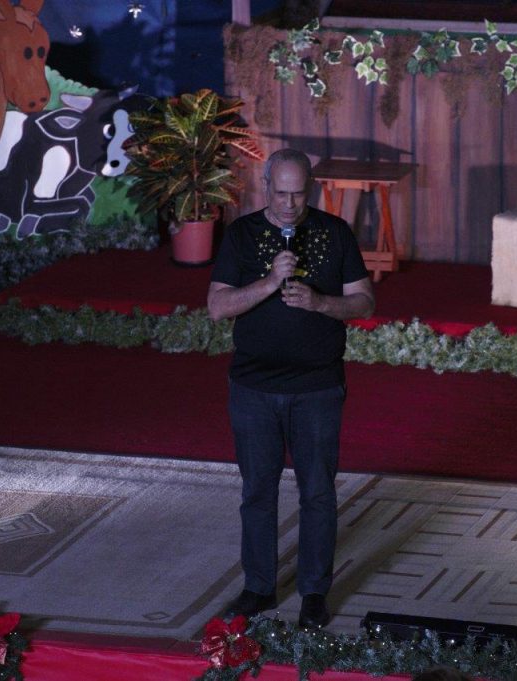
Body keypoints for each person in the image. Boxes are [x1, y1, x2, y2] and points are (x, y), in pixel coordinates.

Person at [208, 148, 375, 629]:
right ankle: (259, 587)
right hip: (253, 388)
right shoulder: (242, 234)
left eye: (298, 194)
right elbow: (218, 307)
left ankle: (314, 593)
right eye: (280, 193)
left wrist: (321, 303)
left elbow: (364, 302)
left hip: (317, 387)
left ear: (311, 189)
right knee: (257, 491)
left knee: (317, 491)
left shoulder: (334, 233)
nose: (288, 204)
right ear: (265, 187)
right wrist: (269, 282)